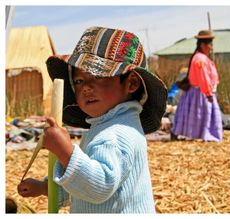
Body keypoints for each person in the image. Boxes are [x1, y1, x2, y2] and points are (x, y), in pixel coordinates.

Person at [17, 26, 167, 213]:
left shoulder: (116, 134)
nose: (86, 87)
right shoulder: (108, 126)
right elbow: (83, 182)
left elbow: (98, 186)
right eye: (79, 81)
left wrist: (65, 151)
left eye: (98, 76)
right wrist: (45, 187)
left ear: (131, 83)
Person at [171, 30, 222, 142]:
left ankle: (203, 134)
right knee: (201, 116)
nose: (211, 48)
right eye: (210, 45)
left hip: (202, 92)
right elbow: (204, 78)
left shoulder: (201, 58)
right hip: (201, 93)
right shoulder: (200, 59)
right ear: (203, 45)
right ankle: (205, 134)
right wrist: (208, 94)